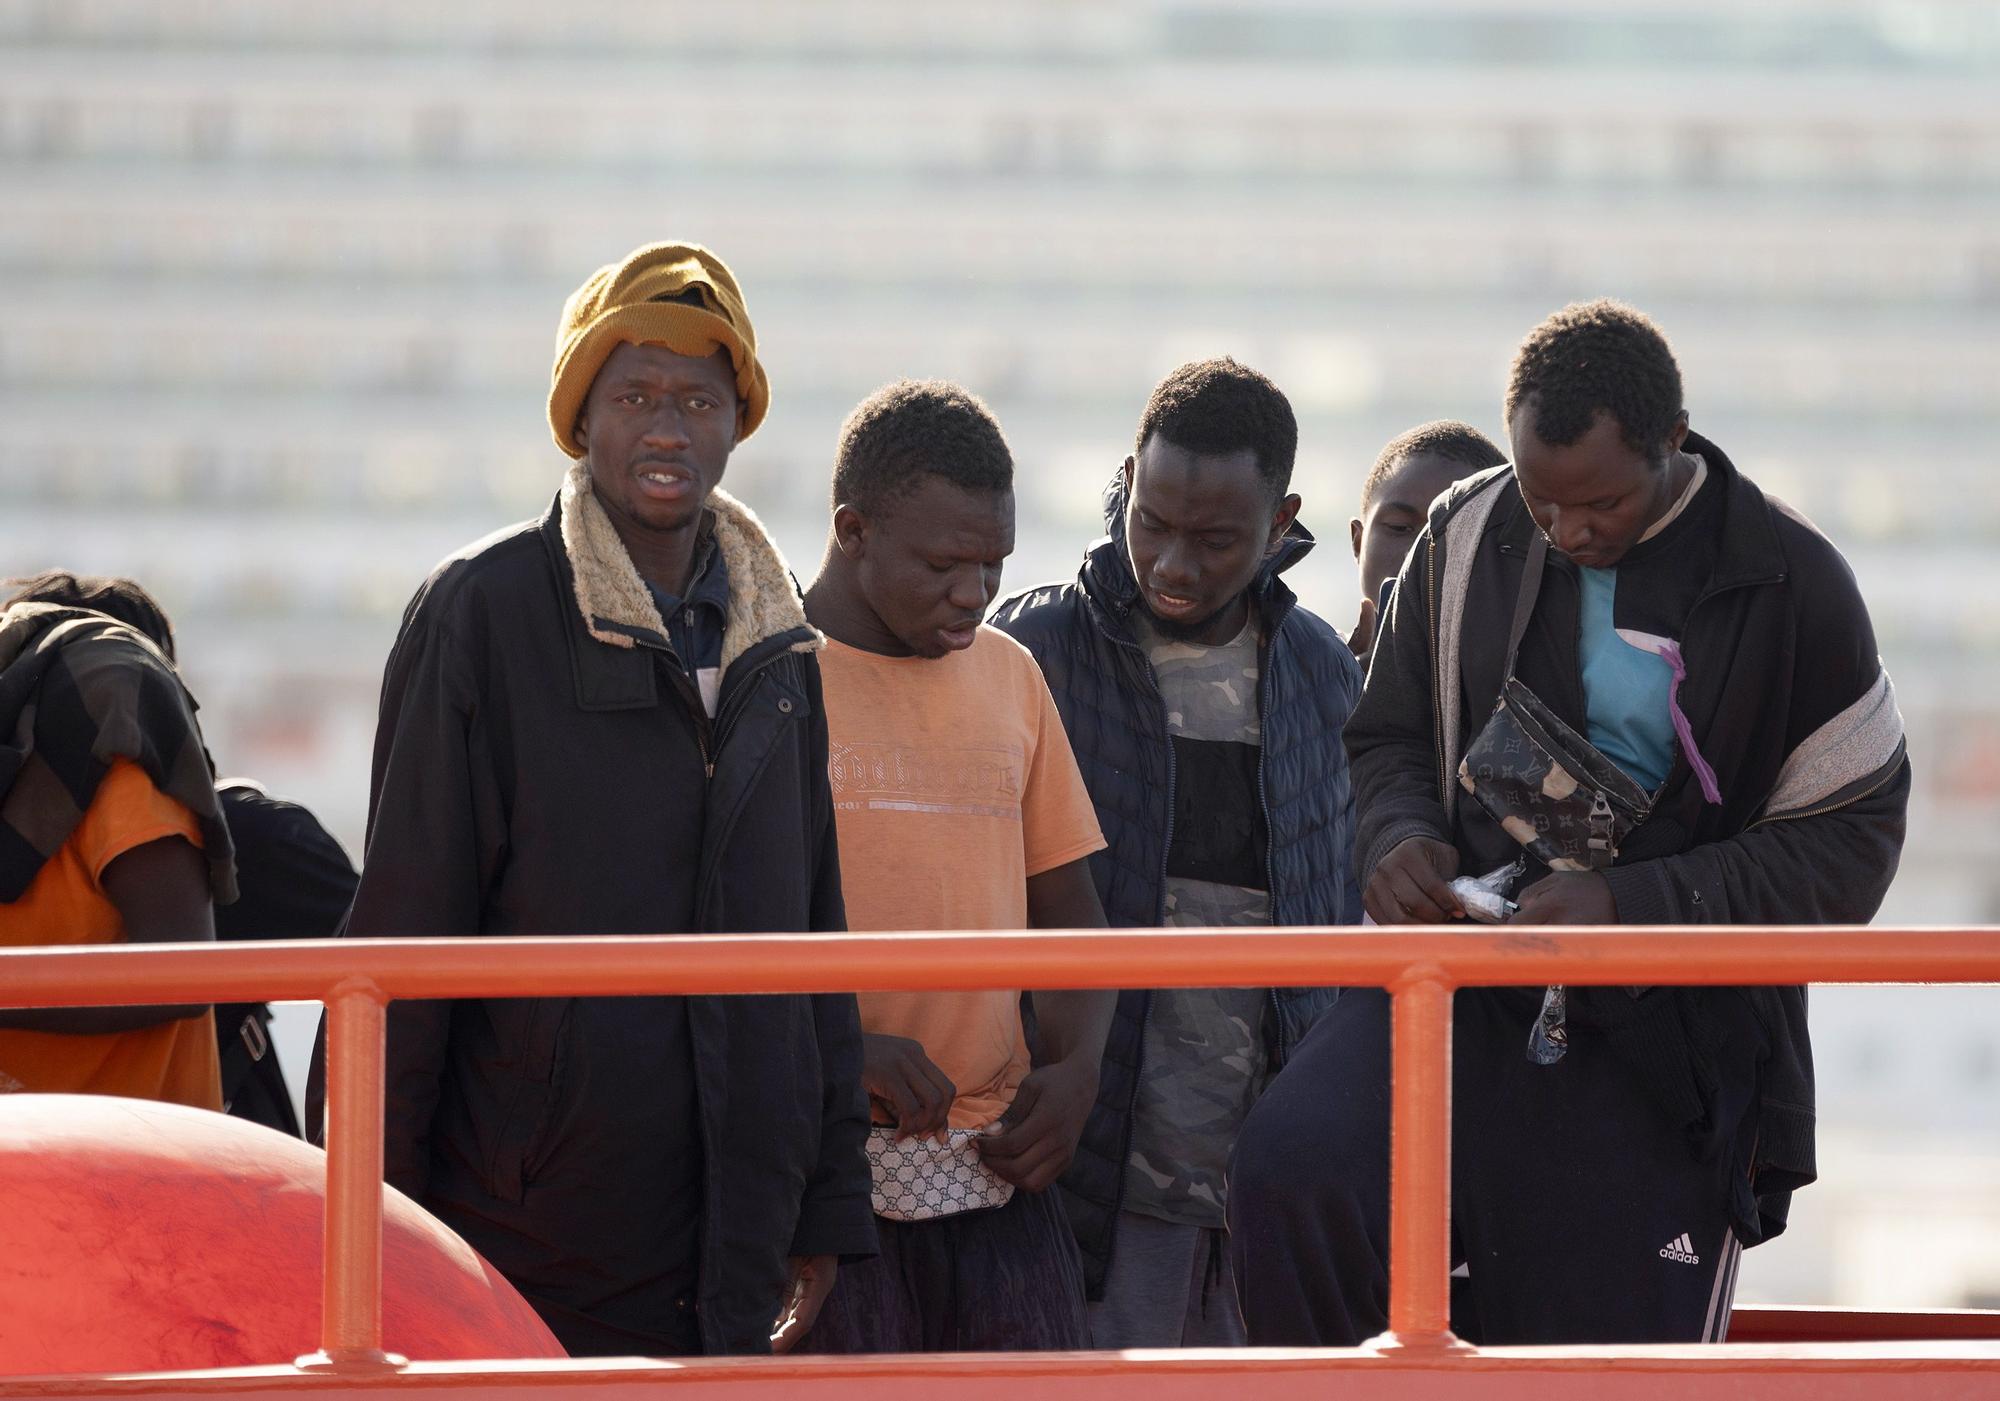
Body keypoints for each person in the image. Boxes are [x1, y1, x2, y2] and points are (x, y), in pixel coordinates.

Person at [1228, 299, 1910, 1346]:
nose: (1564, 532)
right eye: (1539, 501)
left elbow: (1850, 843)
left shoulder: (1793, 581)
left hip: (1669, 1034)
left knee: (1596, 1342)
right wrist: (1396, 839)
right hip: (1460, 981)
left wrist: (1629, 905)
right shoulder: (1464, 528)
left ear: (1673, 442)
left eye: (1597, 504)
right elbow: (1388, 736)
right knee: (1291, 1166)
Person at [330, 242, 873, 1358]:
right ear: (580, 419)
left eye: (697, 400)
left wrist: (820, 1203)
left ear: (737, 423)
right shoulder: (479, 615)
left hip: (739, 1224)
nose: (667, 429)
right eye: (632, 396)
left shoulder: (780, 648)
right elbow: (405, 931)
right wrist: (380, 1222)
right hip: (532, 1222)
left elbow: (814, 932)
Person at [990, 358, 1363, 1348]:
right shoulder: (1033, 651)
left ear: (1281, 521)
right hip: (1084, 1186)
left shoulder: (1325, 679)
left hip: (1264, 1193)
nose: (1172, 564)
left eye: (1213, 540)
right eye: (1150, 523)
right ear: (1126, 479)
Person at [797, 380, 1115, 1353]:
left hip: (995, 1178)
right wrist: (831, 1053)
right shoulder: (767, 681)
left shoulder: (1010, 673)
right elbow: (686, 942)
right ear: (852, 530)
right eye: (943, 564)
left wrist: (1077, 1075)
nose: (974, 593)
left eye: (994, 564)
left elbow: (1070, 915)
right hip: (819, 1177)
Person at [2, 571, 357, 1135]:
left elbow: (383, 960)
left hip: (113, 1164)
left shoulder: (241, 833)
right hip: (168, 1166)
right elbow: (400, 965)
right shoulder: (254, 833)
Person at [0, 573, 236, 1108]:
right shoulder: (126, 765)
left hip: (121, 1171)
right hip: (123, 1170)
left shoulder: (122, 773)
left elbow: (179, 974)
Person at [1346, 421, 1506, 668]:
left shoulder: (1525, 677)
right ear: (1358, 542)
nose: (1418, 553)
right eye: (1399, 528)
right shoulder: (1314, 673)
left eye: (1453, 534)